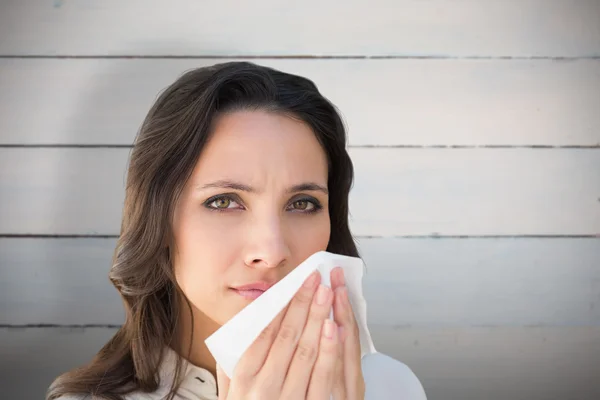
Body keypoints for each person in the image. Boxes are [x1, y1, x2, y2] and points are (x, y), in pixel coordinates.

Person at [47, 61, 427, 400]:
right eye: (224, 201)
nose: (272, 249)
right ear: (158, 219)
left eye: (302, 204)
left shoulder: (389, 385)